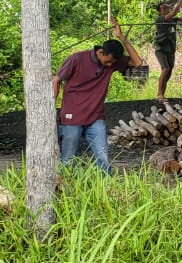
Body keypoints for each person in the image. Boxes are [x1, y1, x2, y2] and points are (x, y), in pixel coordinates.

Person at [53, 16, 142, 174]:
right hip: (72, 116)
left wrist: (122, 38)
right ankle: (66, 181)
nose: (110, 65)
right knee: (68, 157)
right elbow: (56, 80)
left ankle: (105, 183)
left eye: (112, 63)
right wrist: (51, 105)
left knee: (103, 155)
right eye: (107, 61)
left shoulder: (112, 62)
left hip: (95, 117)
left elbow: (138, 63)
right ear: (100, 52)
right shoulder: (76, 59)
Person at [153, 0, 182, 102]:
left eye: (167, 7)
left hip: (170, 49)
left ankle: (162, 94)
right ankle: (159, 94)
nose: (166, 9)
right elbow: (174, 12)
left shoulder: (173, 20)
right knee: (165, 68)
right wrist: (179, 2)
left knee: (168, 73)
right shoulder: (160, 19)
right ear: (160, 11)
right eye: (164, 8)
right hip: (160, 48)